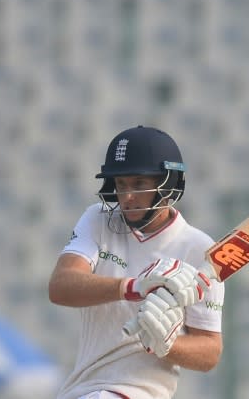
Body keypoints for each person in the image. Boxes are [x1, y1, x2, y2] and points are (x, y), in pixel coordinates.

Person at [48, 125, 225, 399]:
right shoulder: (98, 220)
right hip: (82, 390)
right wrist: (134, 287)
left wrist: (166, 344)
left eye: (139, 184)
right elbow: (61, 286)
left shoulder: (199, 249)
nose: (127, 197)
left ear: (168, 184)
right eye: (121, 185)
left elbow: (210, 352)